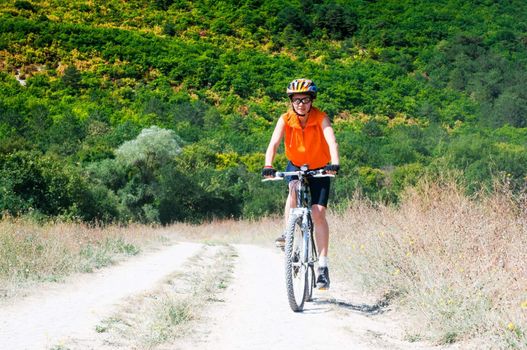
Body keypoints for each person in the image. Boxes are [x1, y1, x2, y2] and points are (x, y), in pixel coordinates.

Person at [262, 78, 340, 290]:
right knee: (293, 188)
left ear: (311, 100)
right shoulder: (285, 119)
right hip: (296, 164)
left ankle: (322, 267)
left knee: (318, 213)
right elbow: (274, 143)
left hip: (321, 168)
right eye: (296, 100)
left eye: (305, 99)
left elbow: (331, 140)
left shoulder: (321, 117)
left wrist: (335, 163)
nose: (301, 104)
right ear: (291, 101)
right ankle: (289, 235)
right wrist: (268, 164)